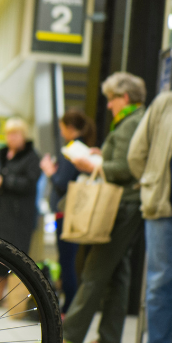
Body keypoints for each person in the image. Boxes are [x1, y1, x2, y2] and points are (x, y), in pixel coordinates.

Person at [61, 72, 146, 343]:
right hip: (127, 202)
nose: (108, 106)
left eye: (111, 99)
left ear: (124, 97)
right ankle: (109, 339)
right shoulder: (130, 120)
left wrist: (92, 165)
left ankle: (70, 335)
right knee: (119, 271)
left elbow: (127, 168)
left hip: (124, 203)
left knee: (95, 268)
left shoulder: (133, 122)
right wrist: (101, 156)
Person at [126, 62, 172, 343]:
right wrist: (151, 181)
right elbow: (136, 153)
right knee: (160, 283)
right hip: (165, 209)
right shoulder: (165, 103)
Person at [40, 110, 96, 315]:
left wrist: (49, 170)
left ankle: (68, 307)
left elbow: (61, 182)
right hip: (73, 211)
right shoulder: (84, 148)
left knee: (66, 261)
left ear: (69, 128)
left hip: (67, 212)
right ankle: (69, 306)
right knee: (68, 260)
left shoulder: (73, 149)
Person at [0, 118, 42, 300]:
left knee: (13, 255)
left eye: (15, 134)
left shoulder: (32, 156)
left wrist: (4, 182)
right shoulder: (1, 154)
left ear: (24, 135)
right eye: (9, 134)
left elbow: (30, 183)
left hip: (18, 216)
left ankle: (11, 297)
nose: (11, 137)